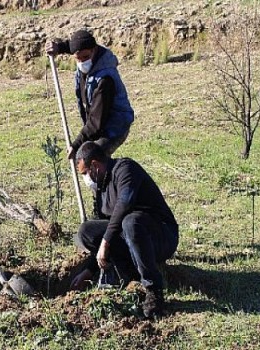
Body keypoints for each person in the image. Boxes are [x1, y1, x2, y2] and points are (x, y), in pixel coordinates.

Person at [70, 141, 179, 318]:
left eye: (85, 173)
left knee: (130, 221)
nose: (85, 178)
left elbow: (125, 203)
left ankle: (154, 292)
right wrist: (89, 270)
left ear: (95, 165)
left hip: (161, 236)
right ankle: (127, 271)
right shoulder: (101, 189)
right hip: (132, 238)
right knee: (86, 232)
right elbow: (107, 228)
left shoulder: (125, 169)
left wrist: (105, 243)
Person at [45, 29, 134, 160]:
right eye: (78, 58)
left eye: (85, 57)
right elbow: (75, 46)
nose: (82, 62)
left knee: (90, 160)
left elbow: (96, 122)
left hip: (114, 127)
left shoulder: (105, 80)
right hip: (98, 125)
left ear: (94, 50)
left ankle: (113, 177)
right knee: (92, 160)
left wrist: (76, 146)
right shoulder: (84, 52)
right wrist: (59, 47)